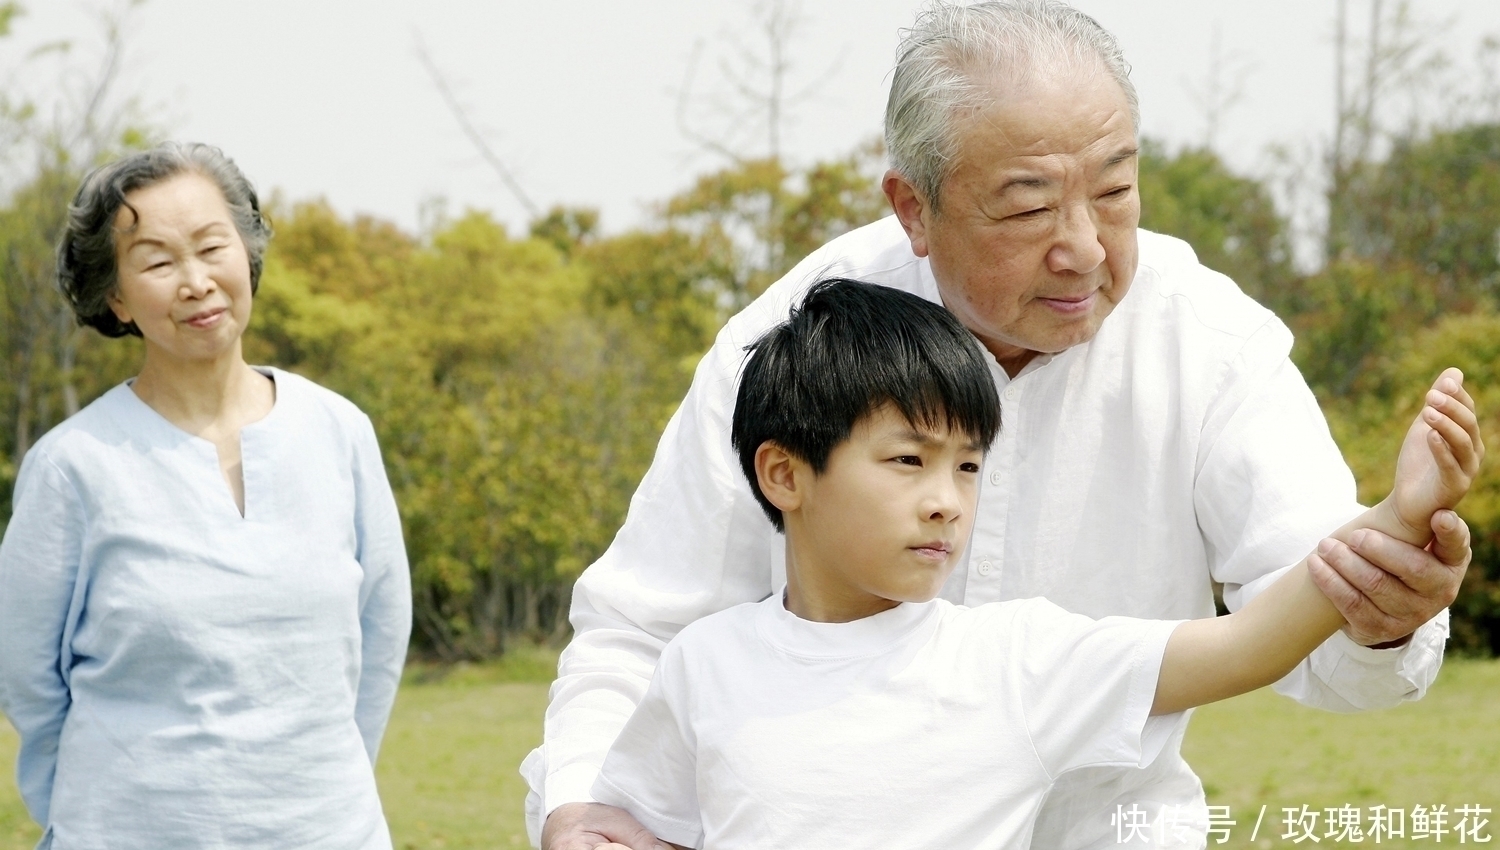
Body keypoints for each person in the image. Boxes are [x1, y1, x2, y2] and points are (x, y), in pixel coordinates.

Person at [527, 3, 1479, 848]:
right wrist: (584, 812)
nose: (1083, 248)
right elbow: (643, 628)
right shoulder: (789, 346)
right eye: (1027, 205)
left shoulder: (1211, 346)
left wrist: (1385, 603)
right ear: (914, 207)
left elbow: (1300, 624)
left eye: (1114, 191)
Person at [585, 279, 1481, 850]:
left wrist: (1396, 517)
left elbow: (1251, 641)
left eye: (968, 467)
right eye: (909, 462)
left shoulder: (1015, 661)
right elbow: (635, 828)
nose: (947, 499)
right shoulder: (703, 669)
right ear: (786, 473)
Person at [0, 142, 412, 848]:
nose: (195, 281)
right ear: (116, 296)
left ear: (246, 256)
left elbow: (379, 637)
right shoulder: (73, 466)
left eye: (211, 247)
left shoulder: (339, 431)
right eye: (158, 261)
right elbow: (27, 677)